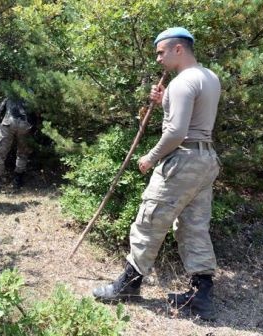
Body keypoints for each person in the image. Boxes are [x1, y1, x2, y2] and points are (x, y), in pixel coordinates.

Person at [92, 27, 221, 321]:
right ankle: (201, 296)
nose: (159, 59)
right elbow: (193, 116)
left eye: (161, 52)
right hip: (206, 159)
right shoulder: (208, 77)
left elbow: (176, 132)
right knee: (194, 225)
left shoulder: (181, 83)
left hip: (182, 161)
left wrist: (151, 157)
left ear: (179, 49)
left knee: (149, 221)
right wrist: (164, 100)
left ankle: (128, 285)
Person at [0, 96, 35, 195]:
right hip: (25, 125)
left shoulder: (9, 95)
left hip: (8, 124)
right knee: (23, 153)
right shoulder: (31, 95)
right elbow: (37, 115)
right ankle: (18, 183)